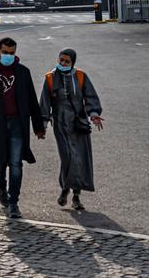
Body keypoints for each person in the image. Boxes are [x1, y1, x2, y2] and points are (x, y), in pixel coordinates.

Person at [0, 36, 45, 218]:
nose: (8, 56)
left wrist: (38, 126)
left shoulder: (23, 72)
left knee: (15, 164)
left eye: (11, 53)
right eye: (5, 52)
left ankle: (14, 203)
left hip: (17, 124)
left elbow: (31, 100)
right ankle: (1, 189)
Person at [39, 48, 105, 211]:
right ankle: (65, 189)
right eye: (61, 60)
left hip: (79, 124)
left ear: (73, 62)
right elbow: (45, 103)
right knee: (68, 157)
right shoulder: (50, 78)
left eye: (67, 61)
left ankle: (75, 196)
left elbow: (90, 97)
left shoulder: (81, 76)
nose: (63, 63)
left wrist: (94, 114)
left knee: (80, 158)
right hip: (61, 125)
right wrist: (43, 125)